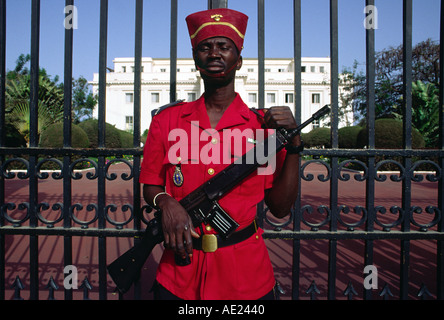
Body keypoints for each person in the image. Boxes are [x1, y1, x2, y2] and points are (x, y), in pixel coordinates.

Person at [139, 8, 302, 300]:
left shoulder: (261, 128)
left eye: (224, 47)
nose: (214, 53)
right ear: (196, 61)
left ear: (238, 61)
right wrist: (166, 202)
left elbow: (279, 208)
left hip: (245, 276)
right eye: (205, 47)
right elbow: (151, 184)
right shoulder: (167, 121)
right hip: (180, 273)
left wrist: (293, 146)